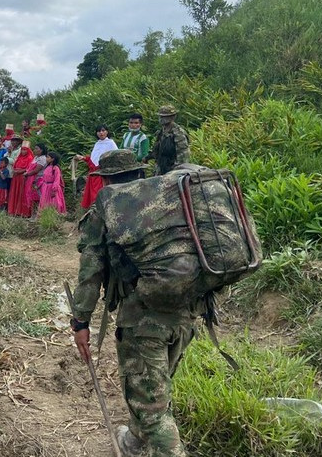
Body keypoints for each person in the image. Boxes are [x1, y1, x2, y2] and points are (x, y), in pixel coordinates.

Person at [71, 149, 194, 457]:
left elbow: (91, 272)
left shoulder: (107, 209)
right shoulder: (168, 201)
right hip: (187, 311)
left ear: (106, 180)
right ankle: (134, 442)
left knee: (152, 408)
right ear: (139, 173)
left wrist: (81, 321)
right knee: (153, 388)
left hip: (143, 321)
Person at [75, 124, 118, 209]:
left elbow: (115, 157)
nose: (101, 133)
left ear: (107, 132)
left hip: (102, 174)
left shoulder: (111, 143)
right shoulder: (97, 144)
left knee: (100, 195)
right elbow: (93, 159)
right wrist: (83, 158)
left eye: (103, 130)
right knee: (92, 197)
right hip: (93, 173)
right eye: (99, 131)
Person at [144, 105, 190, 175]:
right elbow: (157, 149)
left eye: (165, 117)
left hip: (173, 169)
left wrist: (176, 170)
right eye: (160, 116)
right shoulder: (161, 131)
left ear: (173, 117)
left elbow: (183, 154)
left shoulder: (178, 133)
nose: (161, 119)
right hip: (161, 168)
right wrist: (147, 157)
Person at [6, 137, 33, 218]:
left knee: (21, 193)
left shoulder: (30, 158)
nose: (23, 151)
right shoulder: (19, 157)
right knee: (14, 193)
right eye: (22, 150)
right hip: (16, 177)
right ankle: (14, 210)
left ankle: (21, 211)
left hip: (22, 177)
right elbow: (14, 165)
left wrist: (20, 171)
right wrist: (15, 170)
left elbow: (29, 168)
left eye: (25, 150)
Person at [24, 142, 48, 221]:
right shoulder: (36, 157)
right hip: (33, 180)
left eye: (37, 148)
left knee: (38, 198)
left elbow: (36, 170)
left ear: (41, 150)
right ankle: (33, 215)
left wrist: (27, 174)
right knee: (33, 198)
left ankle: (38, 216)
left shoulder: (42, 159)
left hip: (39, 181)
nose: (34, 150)